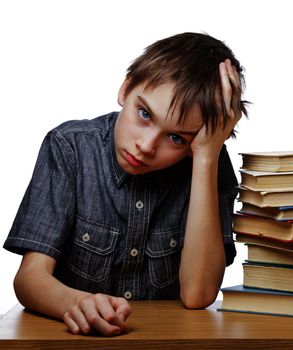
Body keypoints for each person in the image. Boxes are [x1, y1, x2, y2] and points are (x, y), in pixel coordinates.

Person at [3, 32, 248, 336]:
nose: (146, 146)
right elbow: (28, 278)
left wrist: (206, 158)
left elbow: (198, 295)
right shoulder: (70, 148)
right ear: (126, 87)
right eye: (144, 114)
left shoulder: (206, 160)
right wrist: (76, 302)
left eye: (176, 137)